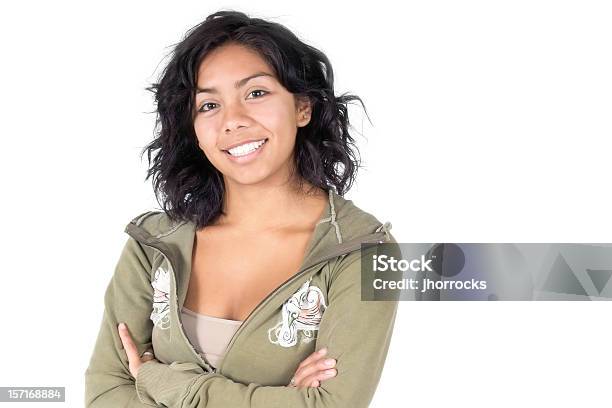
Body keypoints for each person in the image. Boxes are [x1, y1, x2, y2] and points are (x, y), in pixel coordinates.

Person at [85, 9, 401, 407]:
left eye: (256, 93)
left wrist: (161, 379)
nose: (232, 121)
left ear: (302, 107)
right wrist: (278, 399)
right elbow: (105, 395)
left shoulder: (363, 250)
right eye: (208, 106)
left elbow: (333, 404)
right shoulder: (153, 244)